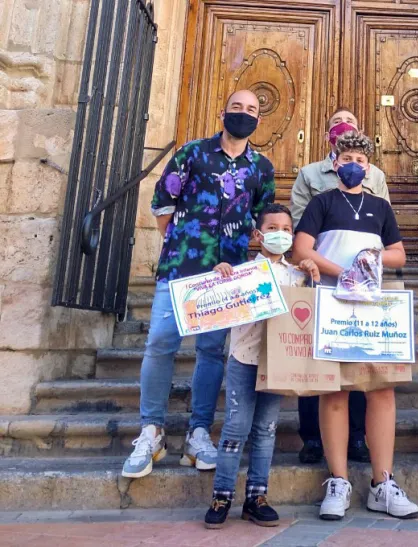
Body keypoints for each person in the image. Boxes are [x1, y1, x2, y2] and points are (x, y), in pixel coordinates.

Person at [122, 90, 275, 479]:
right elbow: (162, 204)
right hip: (180, 270)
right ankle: (152, 430)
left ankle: (198, 432)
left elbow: (263, 219)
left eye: (252, 109)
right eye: (237, 107)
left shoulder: (262, 166)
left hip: (228, 276)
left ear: (260, 119)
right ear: (223, 112)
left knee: (210, 351)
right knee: (159, 343)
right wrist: (182, 245)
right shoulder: (192, 153)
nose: (244, 113)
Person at [293, 132, 418, 520]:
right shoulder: (322, 202)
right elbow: (301, 249)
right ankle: (338, 480)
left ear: (369, 167)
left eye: (361, 161)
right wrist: (346, 272)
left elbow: (398, 252)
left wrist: (372, 256)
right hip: (333, 303)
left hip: (373, 309)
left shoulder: (381, 206)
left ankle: (383, 482)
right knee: (335, 392)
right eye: (347, 157)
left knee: (381, 390)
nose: (354, 165)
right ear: (335, 163)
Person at [204, 203, 320, 529]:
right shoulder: (241, 273)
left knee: (266, 429)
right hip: (244, 358)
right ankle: (222, 495)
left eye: (286, 229)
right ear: (257, 234)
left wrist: (312, 277)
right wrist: (220, 276)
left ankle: (257, 496)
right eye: (272, 229)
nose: (280, 234)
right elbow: (217, 301)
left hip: (278, 362)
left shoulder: (295, 275)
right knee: (235, 428)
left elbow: (308, 312)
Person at [290, 108, 386, 464]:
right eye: (336, 125)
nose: (354, 163)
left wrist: (365, 265)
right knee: (317, 359)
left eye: (351, 125)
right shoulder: (310, 176)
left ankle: (357, 437)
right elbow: (300, 226)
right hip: (321, 281)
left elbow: (383, 222)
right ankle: (312, 437)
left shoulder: (375, 175)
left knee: (358, 361)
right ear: (331, 139)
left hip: (363, 287)